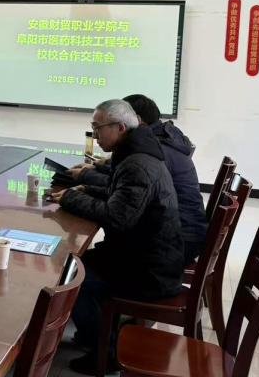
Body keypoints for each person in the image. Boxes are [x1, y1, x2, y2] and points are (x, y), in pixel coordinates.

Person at [52, 99, 183, 375]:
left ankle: (106, 352)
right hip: (145, 255)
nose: (94, 135)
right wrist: (86, 190)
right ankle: (95, 334)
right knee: (74, 262)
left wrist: (71, 198)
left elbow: (117, 217)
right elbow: (121, 198)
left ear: (120, 127)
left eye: (97, 128)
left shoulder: (137, 163)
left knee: (73, 275)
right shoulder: (137, 152)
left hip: (149, 271)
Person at [69, 94, 206, 264]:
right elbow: (126, 184)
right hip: (164, 239)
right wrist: (99, 170)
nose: (96, 136)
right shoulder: (155, 142)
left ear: (134, 120)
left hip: (176, 243)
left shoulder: (155, 152)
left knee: (68, 266)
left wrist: (84, 177)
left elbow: (126, 191)